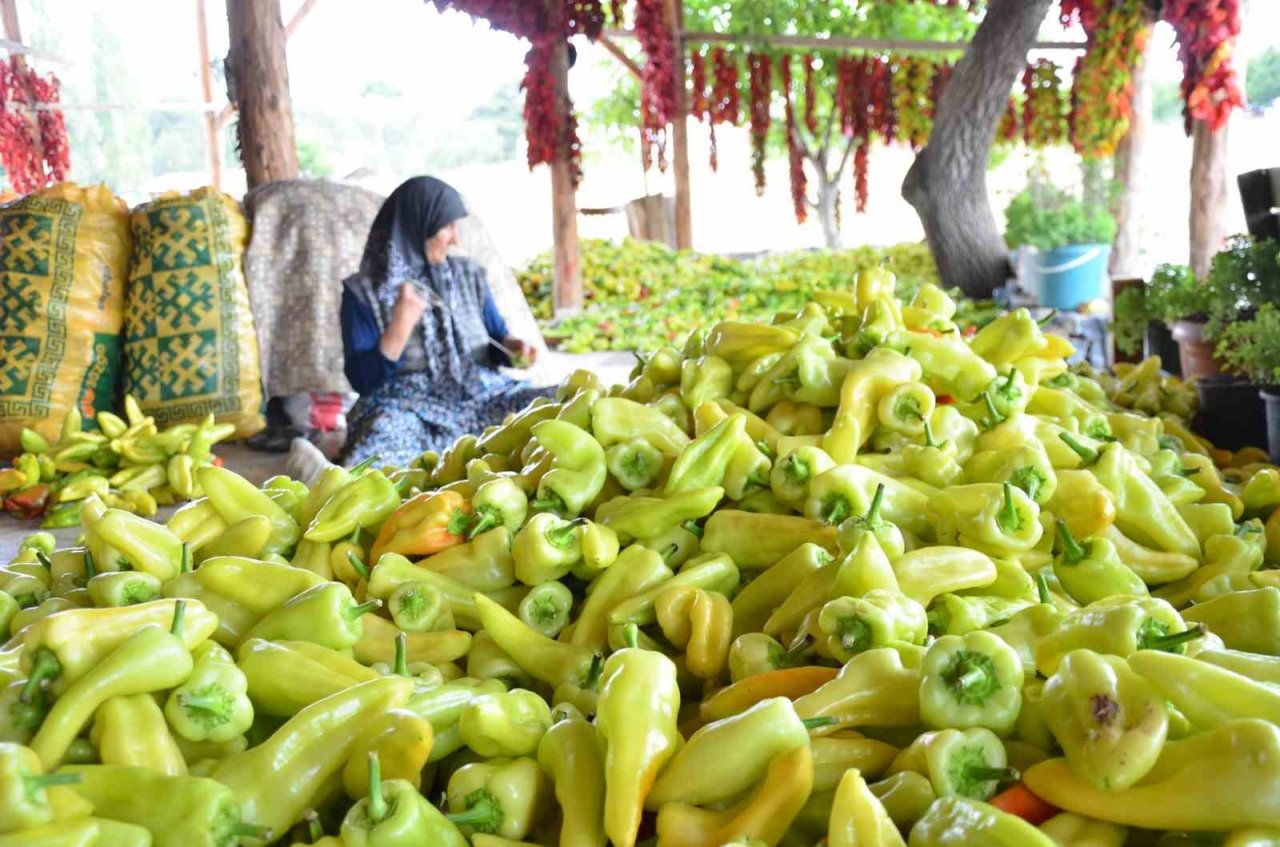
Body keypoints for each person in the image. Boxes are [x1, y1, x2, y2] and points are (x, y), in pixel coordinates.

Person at [334, 177, 547, 468]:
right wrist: (400, 326)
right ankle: (328, 481)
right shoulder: (364, 291)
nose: (455, 238)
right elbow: (362, 380)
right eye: (446, 227)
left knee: (551, 405)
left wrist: (514, 349)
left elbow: (496, 339)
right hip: (409, 407)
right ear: (416, 226)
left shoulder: (469, 275)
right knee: (381, 442)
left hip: (481, 395)